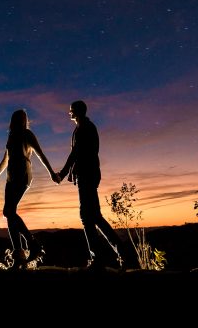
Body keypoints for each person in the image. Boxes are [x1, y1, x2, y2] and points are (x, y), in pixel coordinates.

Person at [57, 99, 127, 270]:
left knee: (88, 217)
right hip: (87, 175)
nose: (69, 113)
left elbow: (77, 153)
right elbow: (79, 153)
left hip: (88, 176)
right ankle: (115, 254)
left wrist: (64, 172)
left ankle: (104, 257)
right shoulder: (83, 127)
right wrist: (72, 171)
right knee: (92, 216)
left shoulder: (84, 128)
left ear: (78, 111)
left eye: (71, 110)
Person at [0, 108, 60, 269]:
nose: (19, 121)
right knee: (9, 214)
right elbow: (5, 159)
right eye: (17, 118)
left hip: (23, 176)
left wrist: (51, 173)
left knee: (9, 212)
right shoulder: (11, 136)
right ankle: (19, 257)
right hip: (10, 177)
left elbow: (40, 154)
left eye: (22, 118)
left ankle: (31, 244)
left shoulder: (28, 135)